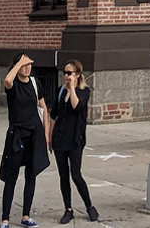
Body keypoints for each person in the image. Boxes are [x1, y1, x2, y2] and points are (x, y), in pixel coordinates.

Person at [0, 54, 51, 228]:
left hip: (34, 134)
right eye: (23, 65)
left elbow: (43, 108)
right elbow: (7, 80)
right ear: (16, 66)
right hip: (17, 135)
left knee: (31, 175)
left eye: (29, 65)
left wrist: (46, 134)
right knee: (11, 176)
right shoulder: (13, 86)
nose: (27, 68)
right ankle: (5, 219)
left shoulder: (35, 83)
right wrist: (18, 63)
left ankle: (26, 216)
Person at [51, 60, 97, 222]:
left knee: (76, 174)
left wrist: (72, 88)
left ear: (77, 74)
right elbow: (54, 115)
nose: (66, 76)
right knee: (63, 176)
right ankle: (68, 209)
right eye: (65, 73)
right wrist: (49, 136)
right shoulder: (60, 91)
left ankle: (89, 206)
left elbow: (77, 107)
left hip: (75, 139)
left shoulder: (84, 91)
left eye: (69, 73)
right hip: (60, 138)